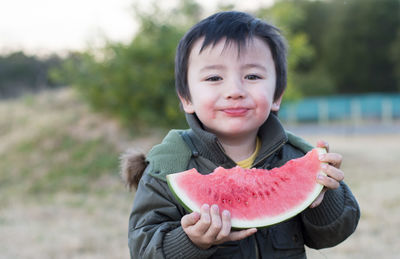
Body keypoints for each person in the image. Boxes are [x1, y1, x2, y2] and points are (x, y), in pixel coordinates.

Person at [122, 11, 360, 259]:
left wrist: (324, 198)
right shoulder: (167, 168)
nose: (235, 91)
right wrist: (189, 241)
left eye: (252, 76)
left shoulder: (295, 156)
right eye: (214, 77)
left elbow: (331, 236)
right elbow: (143, 250)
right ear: (186, 99)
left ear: (277, 96)